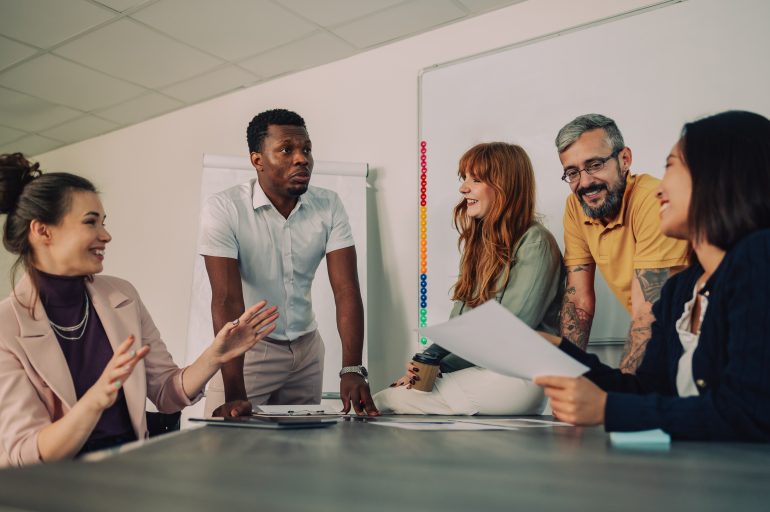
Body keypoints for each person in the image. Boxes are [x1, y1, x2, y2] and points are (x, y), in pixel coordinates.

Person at [0, 153, 278, 466]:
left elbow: (166, 392)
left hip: (131, 472)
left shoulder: (122, 296)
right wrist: (96, 398)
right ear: (43, 231)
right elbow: (26, 454)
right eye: (91, 222)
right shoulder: (5, 327)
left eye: (103, 223)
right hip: (58, 488)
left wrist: (215, 355)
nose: (106, 235)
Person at [536, 110, 770, 440]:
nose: (660, 189)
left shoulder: (760, 255)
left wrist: (607, 409)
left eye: (671, 166)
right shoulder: (680, 291)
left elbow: (750, 411)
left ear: (721, 176)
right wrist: (558, 350)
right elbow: (647, 389)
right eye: (573, 172)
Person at [199, 109, 377, 417]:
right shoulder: (224, 208)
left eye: (306, 149)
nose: (302, 159)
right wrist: (234, 390)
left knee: (297, 455)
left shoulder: (329, 205)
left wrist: (351, 368)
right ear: (257, 160)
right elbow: (226, 299)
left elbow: (346, 289)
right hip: (248, 349)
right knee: (226, 452)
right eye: (287, 150)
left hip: (306, 352)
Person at [374, 142, 564, 415]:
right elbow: (459, 324)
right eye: (464, 179)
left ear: (504, 186)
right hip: (480, 370)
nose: (464, 188)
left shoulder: (536, 242)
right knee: (391, 397)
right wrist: (429, 369)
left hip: (517, 377)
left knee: (386, 402)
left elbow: (510, 326)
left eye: (476, 180)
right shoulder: (477, 245)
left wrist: (434, 357)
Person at [556, 114, 689, 373]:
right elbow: (578, 301)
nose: (584, 183)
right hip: (660, 337)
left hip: (690, 340)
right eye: (572, 173)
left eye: (594, 164)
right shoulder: (575, 207)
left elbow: (647, 312)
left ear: (624, 159)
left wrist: (627, 392)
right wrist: (565, 375)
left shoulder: (652, 200)